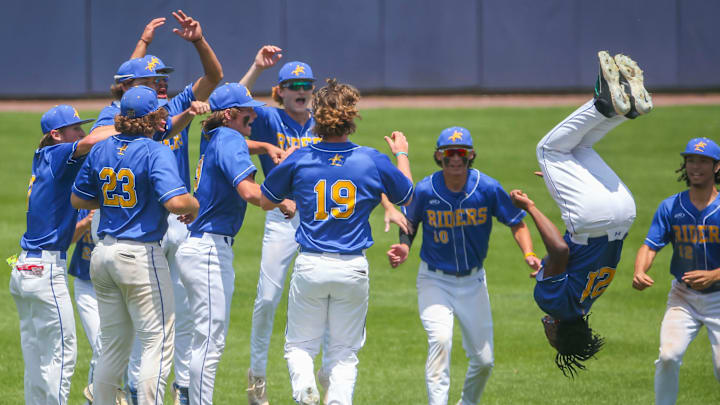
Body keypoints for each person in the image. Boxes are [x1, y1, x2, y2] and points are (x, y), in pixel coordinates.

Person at [240, 48, 408, 405]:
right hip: (329, 247)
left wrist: (385, 204)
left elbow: (272, 197)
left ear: (318, 105)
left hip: (311, 244)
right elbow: (234, 108)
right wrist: (401, 156)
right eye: (293, 84)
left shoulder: (305, 153)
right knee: (277, 305)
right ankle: (270, 381)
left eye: (307, 84)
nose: (301, 89)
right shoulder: (365, 156)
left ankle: (313, 384)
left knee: (306, 338)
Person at [509, 51, 652, 377]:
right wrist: (530, 207)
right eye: (552, 339)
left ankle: (627, 108)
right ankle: (605, 103)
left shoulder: (588, 300)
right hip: (593, 218)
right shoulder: (551, 303)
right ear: (560, 332)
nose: (547, 335)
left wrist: (564, 183)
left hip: (624, 213)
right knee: (548, 149)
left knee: (579, 150)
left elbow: (573, 260)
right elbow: (559, 249)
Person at [386, 126, 542, 405]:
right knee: (440, 341)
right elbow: (409, 224)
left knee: (484, 361)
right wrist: (405, 247)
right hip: (435, 281)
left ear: (471, 156)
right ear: (438, 157)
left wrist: (528, 252)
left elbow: (516, 221)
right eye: (449, 154)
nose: (455, 159)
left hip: (473, 282)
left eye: (461, 153)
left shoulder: (487, 188)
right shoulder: (425, 189)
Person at [71, 86, 199, 404]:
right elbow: (175, 202)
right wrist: (194, 205)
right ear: (151, 118)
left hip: (102, 255)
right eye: (161, 112)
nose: (165, 115)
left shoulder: (101, 149)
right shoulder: (155, 151)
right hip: (139, 255)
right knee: (157, 340)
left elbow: (78, 198)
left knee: (113, 346)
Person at [174, 83, 295, 404]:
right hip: (209, 252)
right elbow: (250, 193)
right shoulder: (229, 139)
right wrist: (282, 198)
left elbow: (239, 143)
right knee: (209, 342)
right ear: (229, 114)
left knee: (204, 338)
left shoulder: (214, 133)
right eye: (246, 112)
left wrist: (266, 147)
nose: (253, 114)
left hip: (199, 245)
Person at [9, 104, 110, 405]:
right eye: (75, 128)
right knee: (62, 355)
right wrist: (128, 124)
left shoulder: (45, 160)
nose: (82, 132)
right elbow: (92, 142)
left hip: (25, 268)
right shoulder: (56, 154)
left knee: (36, 358)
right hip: (44, 273)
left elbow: (61, 236)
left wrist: (82, 225)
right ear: (56, 135)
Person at [633, 137, 720, 404]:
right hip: (682, 297)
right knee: (669, 357)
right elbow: (650, 245)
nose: (695, 166)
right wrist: (639, 269)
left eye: (703, 161)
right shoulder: (670, 206)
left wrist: (714, 275)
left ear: (717, 167)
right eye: (691, 159)